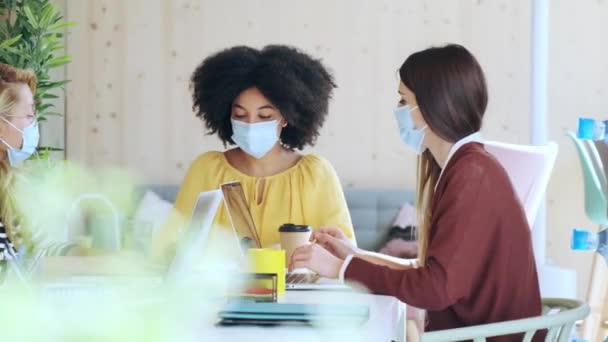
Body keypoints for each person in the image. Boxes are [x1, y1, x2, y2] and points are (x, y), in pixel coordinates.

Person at [290, 44, 543, 340]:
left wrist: (341, 268)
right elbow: (429, 272)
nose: (398, 111)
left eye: (403, 100)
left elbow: (435, 289)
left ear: (433, 104)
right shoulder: (467, 167)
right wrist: (354, 255)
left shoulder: (471, 175)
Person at [153, 45, 354, 262]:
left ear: (287, 117)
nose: (250, 124)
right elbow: (171, 248)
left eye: (265, 116)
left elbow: (344, 255)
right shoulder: (207, 169)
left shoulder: (316, 174)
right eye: (240, 114)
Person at [0, 63, 79, 281]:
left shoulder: (8, 182)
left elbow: (29, 254)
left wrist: (77, 254)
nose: (34, 124)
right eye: (29, 115)